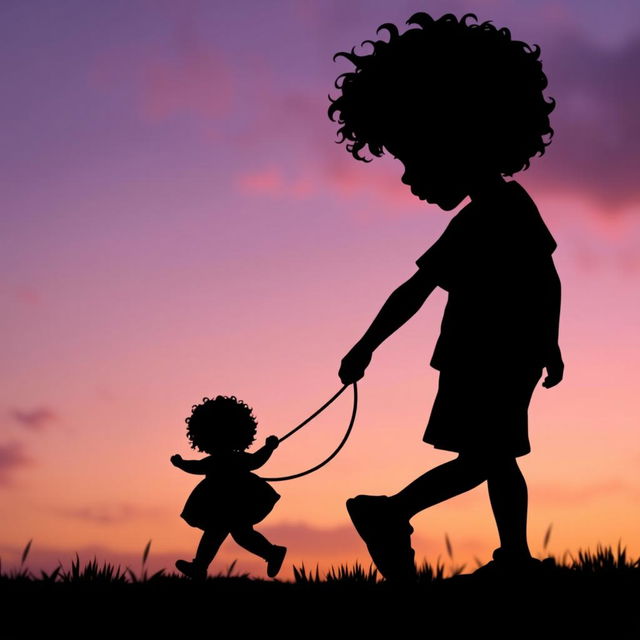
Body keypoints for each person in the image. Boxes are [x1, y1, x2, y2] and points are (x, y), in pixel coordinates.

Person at [328, 12, 564, 582]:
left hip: (494, 356)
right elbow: (423, 289)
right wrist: (365, 346)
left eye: (413, 158)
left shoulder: (494, 214)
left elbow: (536, 278)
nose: (409, 178)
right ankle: (401, 516)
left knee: (496, 455)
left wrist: (548, 343)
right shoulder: (494, 213)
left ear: (456, 141)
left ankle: (490, 549)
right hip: (492, 356)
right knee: (493, 455)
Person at [171, 394, 287, 579]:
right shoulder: (221, 459)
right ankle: (271, 553)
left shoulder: (227, 459)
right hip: (225, 502)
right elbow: (198, 466)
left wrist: (269, 448)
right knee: (230, 532)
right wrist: (182, 464)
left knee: (228, 532)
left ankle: (201, 566)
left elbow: (255, 461)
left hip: (236, 501)